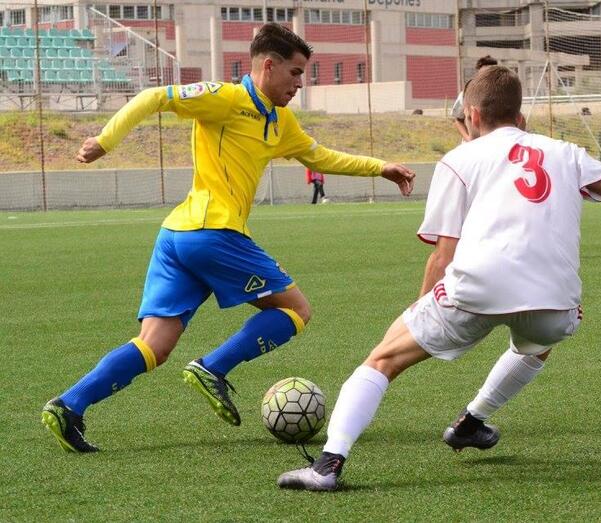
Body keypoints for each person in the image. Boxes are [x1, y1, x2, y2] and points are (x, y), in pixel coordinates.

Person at [276, 65, 601, 491]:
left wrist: (420, 309)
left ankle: (328, 465)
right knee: (539, 341)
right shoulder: (566, 152)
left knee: (382, 360)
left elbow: (444, 253)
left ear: (472, 115)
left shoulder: (458, 160)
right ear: (520, 116)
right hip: (555, 302)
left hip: (475, 289)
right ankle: (471, 422)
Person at [40, 23, 415, 453]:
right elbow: (153, 96)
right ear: (268, 66)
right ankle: (212, 367)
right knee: (296, 309)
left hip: (178, 236)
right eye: (295, 72)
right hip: (213, 233)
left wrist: (379, 167)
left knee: (154, 345)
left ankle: (69, 405)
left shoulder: (280, 121)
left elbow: (320, 156)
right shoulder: (225, 98)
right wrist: (105, 141)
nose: (300, 83)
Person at [451, 55, 498, 142]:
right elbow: (457, 119)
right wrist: (468, 139)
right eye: (484, 73)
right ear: (478, 74)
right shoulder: (466, 93)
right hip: (472, 145)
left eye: (491, 73)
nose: (488, 76)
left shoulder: (503, 95)